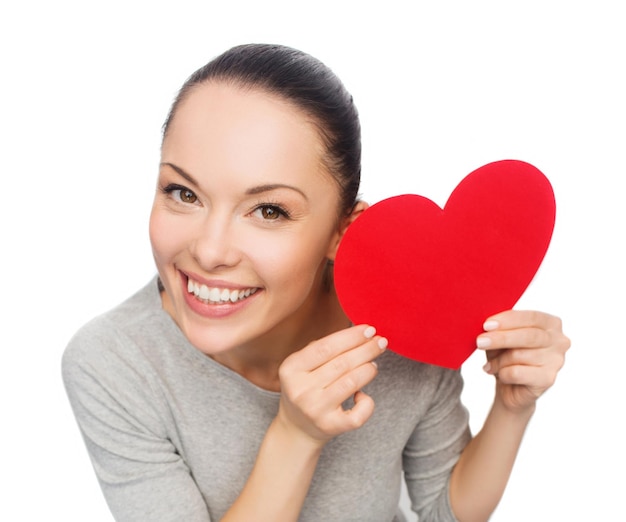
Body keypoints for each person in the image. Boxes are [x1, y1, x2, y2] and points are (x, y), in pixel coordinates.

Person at [62, 43, 570, 522]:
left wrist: (511, 408)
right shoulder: (114, 362)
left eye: (268, 210)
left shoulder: (410, 323)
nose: (209, 251)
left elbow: (442, 511)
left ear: (342, 230)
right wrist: (295, 436)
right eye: (183, 192)